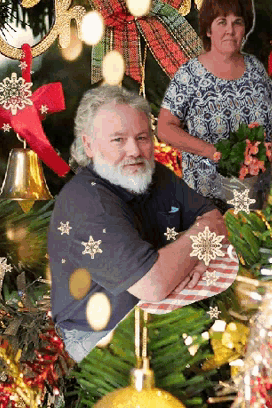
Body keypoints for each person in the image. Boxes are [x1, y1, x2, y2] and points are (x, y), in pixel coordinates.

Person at [48, 85, 227, 363]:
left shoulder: (155, 176)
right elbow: (153, 284)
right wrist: (201, 243)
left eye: (142, 137)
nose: (135, 150)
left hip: (151, 316)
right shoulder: (84, 203)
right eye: (118, 140)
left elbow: (214, 217)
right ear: (89, 145)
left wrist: (201, 250)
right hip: (96, 340)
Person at [157, 0, 272, 210]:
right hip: (206, 204)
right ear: (209, 30)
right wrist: (211, 152)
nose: (230, 30)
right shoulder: (190, 74)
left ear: (245, 28)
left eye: (237, 22)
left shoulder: (256, 70)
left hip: (255, 200)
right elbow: (164, 128)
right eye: (222, 22)